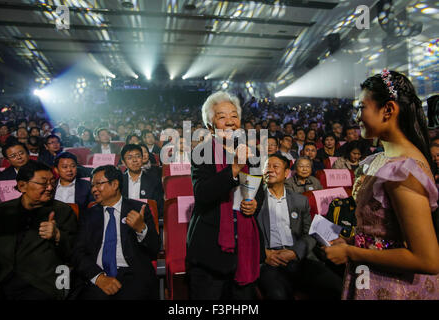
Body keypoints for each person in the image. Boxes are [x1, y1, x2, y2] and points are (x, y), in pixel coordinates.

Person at [324, 70, 439, 300]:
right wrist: (352, 240)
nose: (356, 117)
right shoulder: (386, 159)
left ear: (388, 110)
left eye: (361, 108)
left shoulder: (403, 170)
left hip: (397, 289)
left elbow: (427, 259)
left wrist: (351, 252)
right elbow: (387, 233)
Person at [187, 91, 265, 300]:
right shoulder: (201, 153)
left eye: (234, 116)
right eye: (222, 117)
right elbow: (202, 194)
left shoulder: (251, 152)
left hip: (245, 246)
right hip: (211, 248)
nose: (230, 122)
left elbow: (260, 191)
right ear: (210, 125)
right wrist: (234, 169)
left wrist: (254, 204)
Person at [256, 154, 342, 300]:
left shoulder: (300, 200)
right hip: (270, 261)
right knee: (278, 295)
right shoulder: (254, 200)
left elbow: (310, 233)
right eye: (266, 167)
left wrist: (295, 252)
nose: (270, 170)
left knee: (338, 287)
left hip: (299, 258)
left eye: (275, 166)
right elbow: (244, 235)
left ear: (286, 173)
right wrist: (265, 254)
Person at [0, 161, 77, 299]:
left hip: (41, 283)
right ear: (22, 186)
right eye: (43, 183)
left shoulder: (63, 211)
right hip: (1, 280)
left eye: (52, 182)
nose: (50, 187)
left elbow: (73, 252)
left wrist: (58, 235)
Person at [71, 165, 159, 300]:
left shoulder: (139, 209)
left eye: (98, 184)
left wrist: (141, 229)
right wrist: (98, 278)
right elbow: (78, 252)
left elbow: (154, 249)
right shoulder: (88, 215)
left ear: (115, 184)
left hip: (132, 274)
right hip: (98, 274)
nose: (94, 189)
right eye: (92, 185)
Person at [120, 144, 164, 217]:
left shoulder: (154, 181)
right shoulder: (119, 182)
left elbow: (159, 208)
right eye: (129, 157)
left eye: (138, 156)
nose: (135, 160)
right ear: (123, 162)